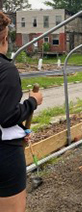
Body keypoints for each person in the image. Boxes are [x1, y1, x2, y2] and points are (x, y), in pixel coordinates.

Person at [0, 12, 43, 212]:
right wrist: (32, 102)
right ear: (4, 38)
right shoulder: (5, 70)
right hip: (4, 154)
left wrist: (18, 131)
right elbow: (7, 116)